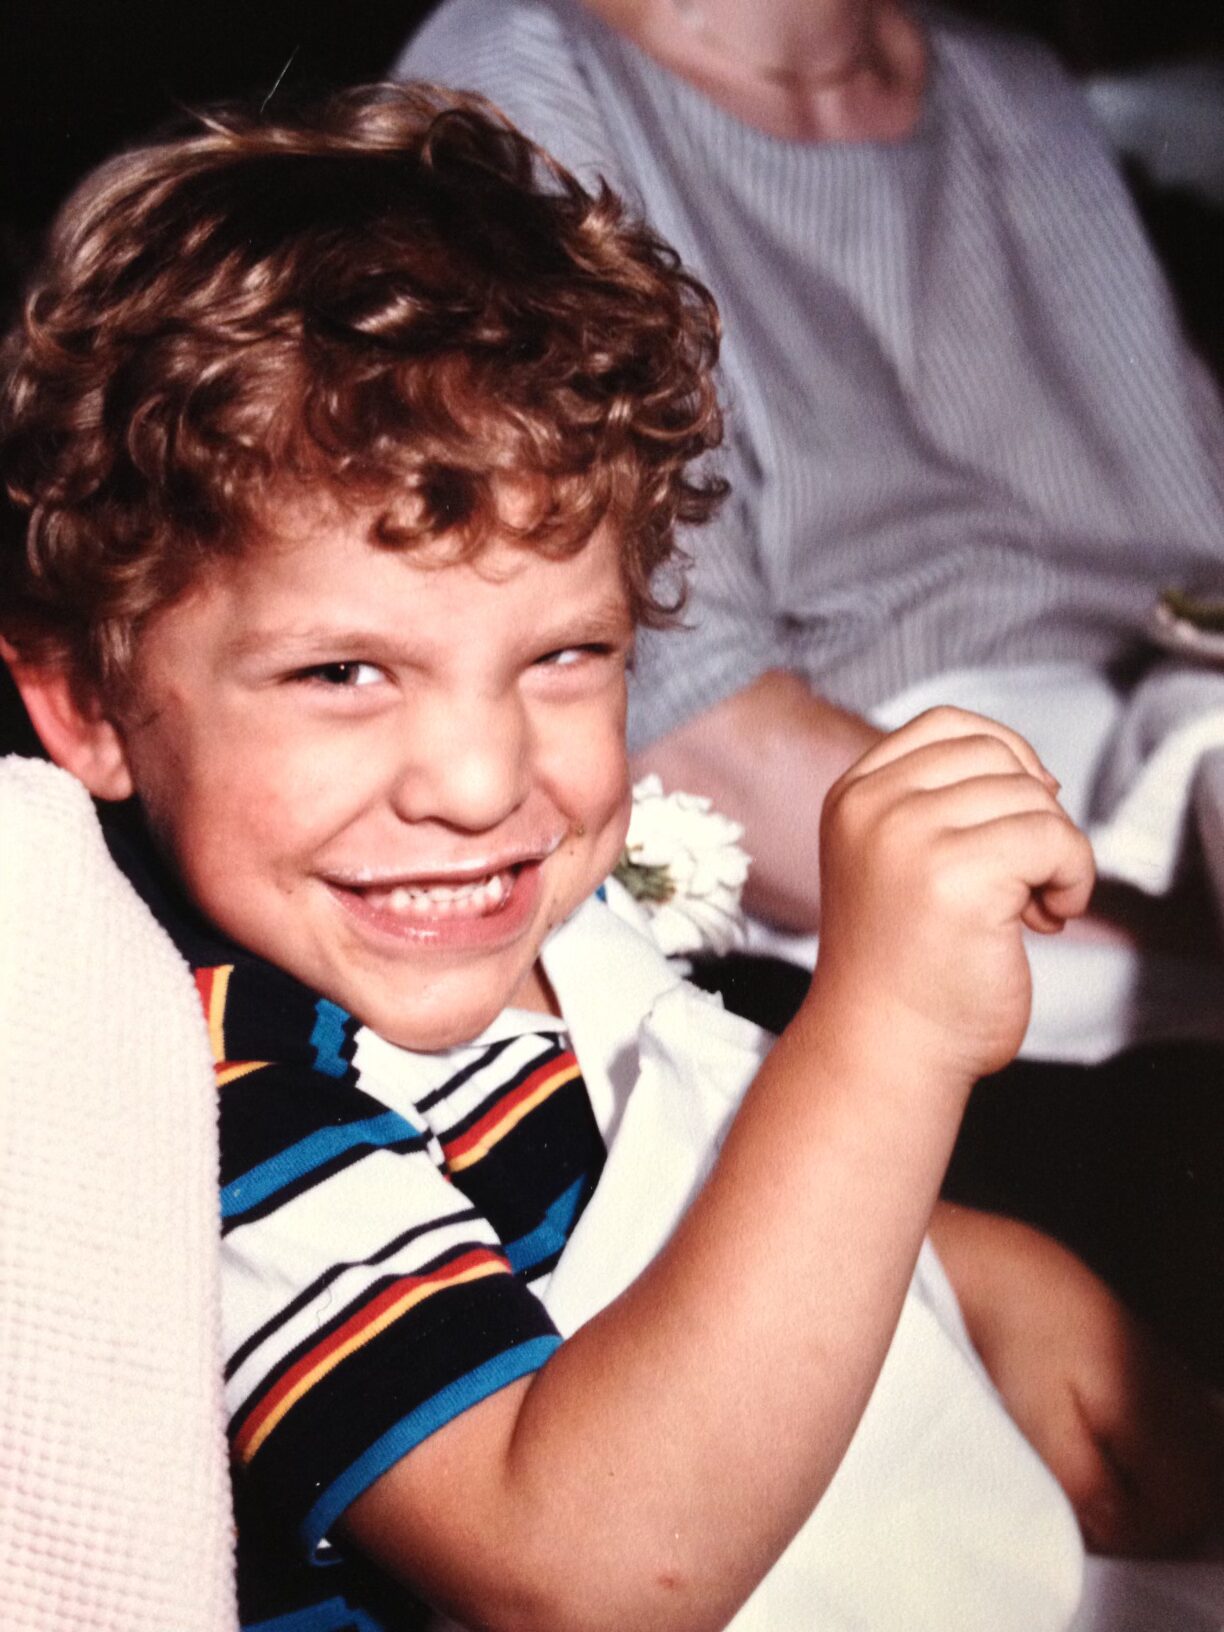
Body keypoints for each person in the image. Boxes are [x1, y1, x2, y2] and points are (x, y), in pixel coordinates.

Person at [1, 83, 1216, 1632]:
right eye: (343, 674)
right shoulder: (218, 1106)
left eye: (565, 654)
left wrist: (993, 1280)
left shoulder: (540, 924)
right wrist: (886, 1031)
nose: (484, 777)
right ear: (91, 707)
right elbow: (582, 1571)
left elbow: (701, 1163)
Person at [396, 0, 1224, 1032]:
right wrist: (1163, 925)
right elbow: (694, 746)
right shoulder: (520, 76)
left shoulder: (1012, 82)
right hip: (909, 860)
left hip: (1167, 764)